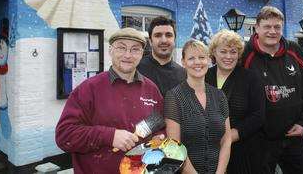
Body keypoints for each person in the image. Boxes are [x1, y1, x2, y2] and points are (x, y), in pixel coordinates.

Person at [55, 28, 164, 174]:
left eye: (135, 49)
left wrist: (160, 137)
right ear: (110, 50)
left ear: (141, 54)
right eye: (121, 48)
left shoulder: (151, 89)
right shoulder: (89, 88)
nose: (127, 55)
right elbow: (64, 135)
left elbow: (160, 124)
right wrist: (109, 136)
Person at [242, 6, 303, 174]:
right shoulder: (245, 55)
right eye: (267, 27)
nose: (272, 31)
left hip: (293, 136)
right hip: (261, 140)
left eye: (277, 27)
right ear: (257, 28)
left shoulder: (294, 50)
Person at [165, 40, 231, 174]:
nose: (197, 62)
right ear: (183, 62)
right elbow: (174, 145)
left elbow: (226, 139)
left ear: (208, 60)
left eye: (202, 57)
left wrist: (220, 172)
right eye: (191, 58)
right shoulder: (174, 97)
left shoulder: (219, 95)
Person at [206, 29, 265, 173]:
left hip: (242, 152)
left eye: (233, 52)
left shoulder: (251, 79)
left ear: (239, 54)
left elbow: (258, 115)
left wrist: (231, 136)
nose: (228, 56)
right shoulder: (205, 76)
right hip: (208, 150)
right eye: (223, 51)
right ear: (214, 53)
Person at [138, 16, 186, 97]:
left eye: (168, 35)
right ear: (150, 41)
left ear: (174, 40)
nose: (164, 40)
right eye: (158, 35)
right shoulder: (136, 69)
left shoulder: (183, 74)